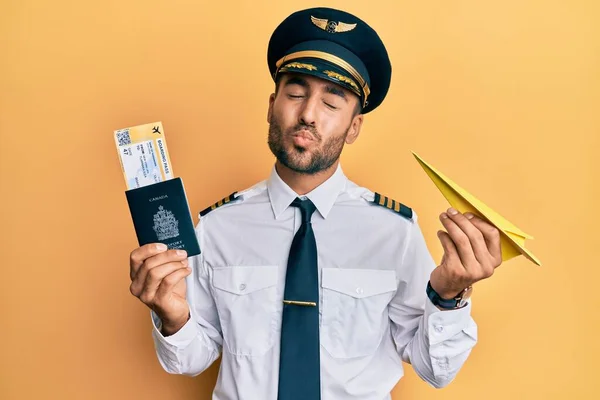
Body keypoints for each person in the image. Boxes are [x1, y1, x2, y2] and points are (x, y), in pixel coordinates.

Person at [128, 7, 503, 400]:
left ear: (353, 127)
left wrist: (448, 295)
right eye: (295, 92)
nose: (307, 113)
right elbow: (190, 359)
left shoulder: (394, 230)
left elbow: (435, 370)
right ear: (272, 105)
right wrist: (172, 316)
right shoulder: (218, 226)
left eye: (332, 101)